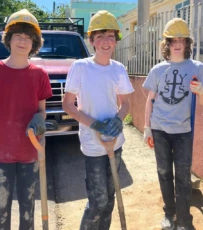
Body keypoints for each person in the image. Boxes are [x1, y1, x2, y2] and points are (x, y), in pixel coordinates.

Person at [0, 9, 52, 230]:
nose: (22, 41)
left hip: (29, 153)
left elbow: (42, 111)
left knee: (28, 213)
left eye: (28, 37)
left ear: (34, 43)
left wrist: (39, 118)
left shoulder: (39, 74)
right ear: (8, 39)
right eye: (18, 35)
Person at [62, 10, 134, 230]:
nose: (106, 41)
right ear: (91, 40)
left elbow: (126, 104)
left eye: (110, 36)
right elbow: (68, 104)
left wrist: (118, 120)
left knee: (110, 198)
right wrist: (94, 124)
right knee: (98, 201)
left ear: (116, 41)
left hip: (115, 142)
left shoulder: (118, 69)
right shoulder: (81, 67)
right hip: (93, 145)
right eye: (100, 36)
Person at [143, 18, 203, 230]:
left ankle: (184, 219)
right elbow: (150, 100)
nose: (177, 43)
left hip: (184, 130)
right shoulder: (157, 70)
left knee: (183, 175)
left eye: (181, 39)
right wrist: (147, 127)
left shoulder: (197, 68)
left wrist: (201, 92)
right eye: (173, 39)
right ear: (166, 44)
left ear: (187, 43)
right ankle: (169, 213)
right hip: (159, 128)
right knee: (164, 172)